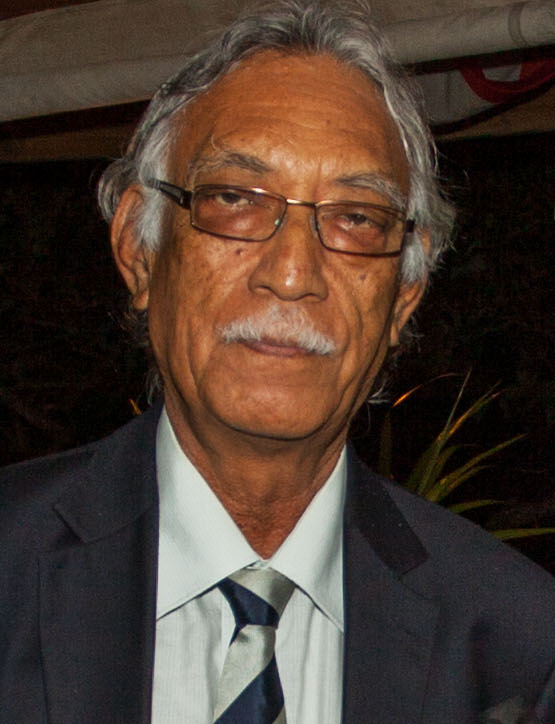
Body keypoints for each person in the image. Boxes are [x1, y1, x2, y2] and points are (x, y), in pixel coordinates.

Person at [1, 1, 555, 723]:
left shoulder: (518, 647)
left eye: (356, 217)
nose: (292, 273)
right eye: (235, 199)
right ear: (139, 249)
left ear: (403, 296)